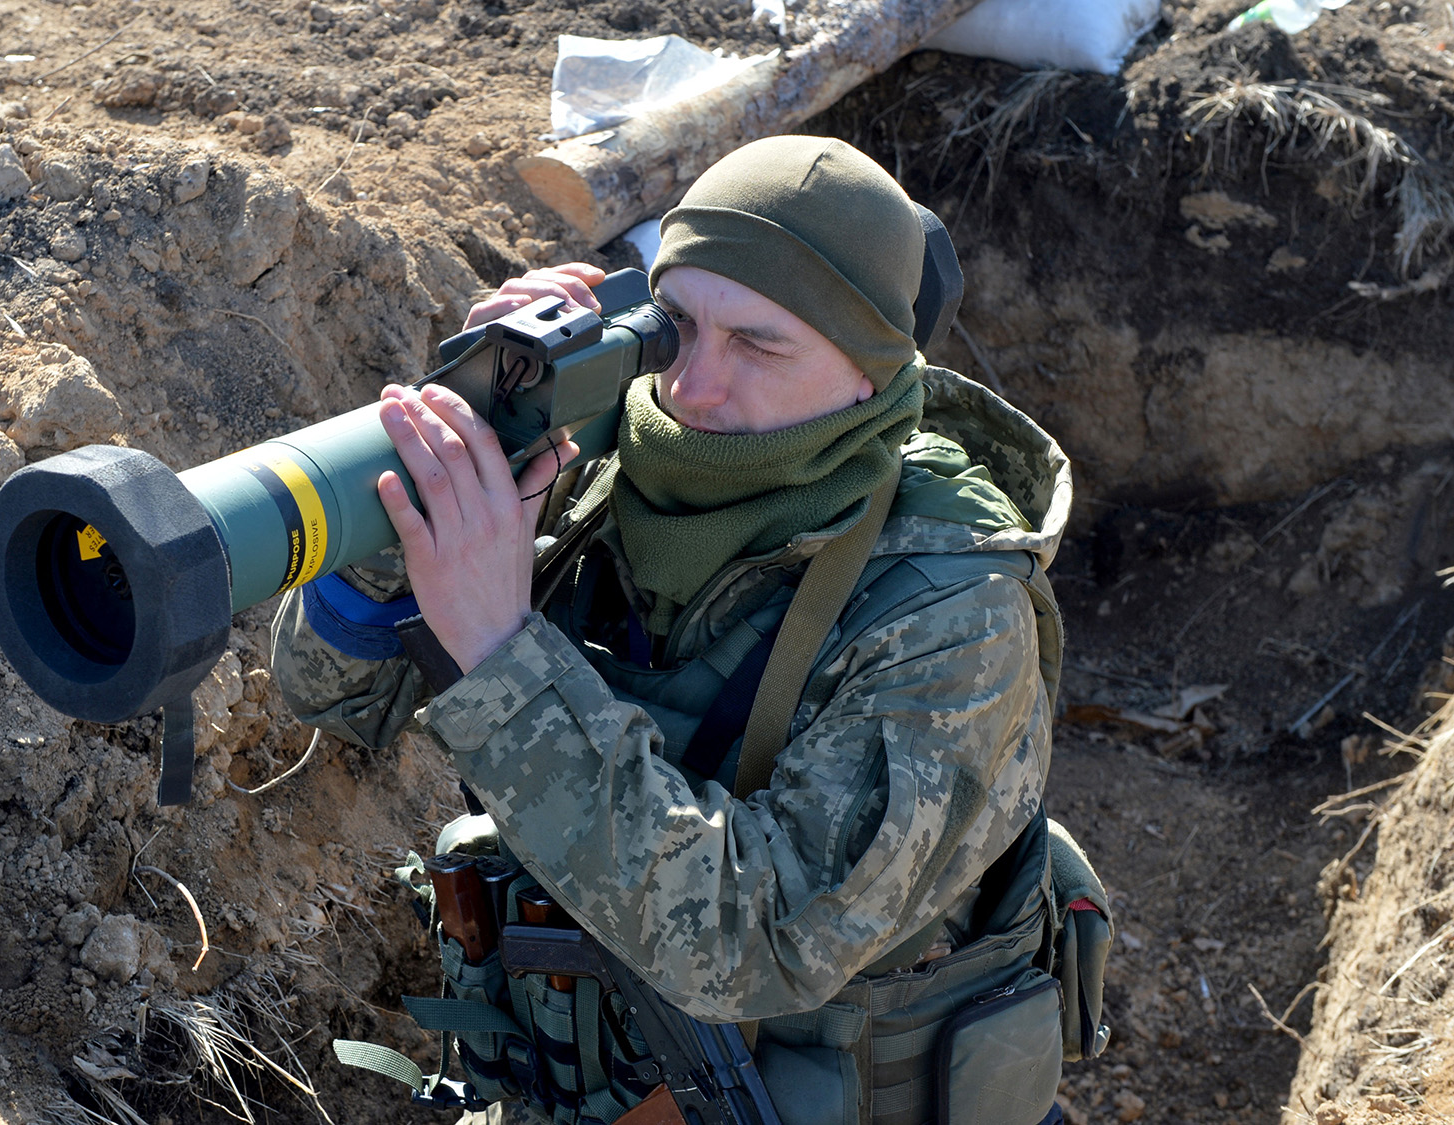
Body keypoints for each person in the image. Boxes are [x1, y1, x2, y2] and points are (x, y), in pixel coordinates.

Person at [273, 135, 1105, 1125]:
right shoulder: (593, 469)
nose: (693, 388)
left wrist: (499, 655)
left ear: (870, 372)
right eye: (676, 328)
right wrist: (458, 442)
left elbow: (754, 940)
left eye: (758, 344)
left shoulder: (952, 612)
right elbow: (331, 693)